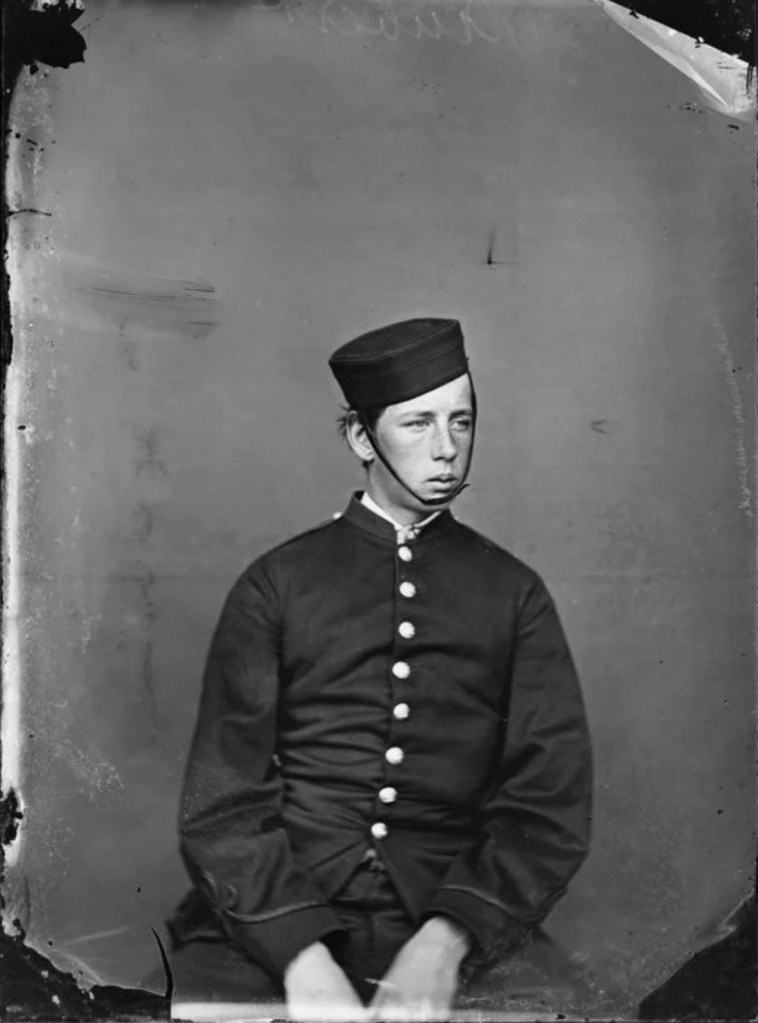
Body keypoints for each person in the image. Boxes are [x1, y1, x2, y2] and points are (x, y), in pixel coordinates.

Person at [161, 318, 593, 1022]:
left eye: (462, 420)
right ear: (364, 439)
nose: (447, 448)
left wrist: (447, 942)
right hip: (276, 909)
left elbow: (548, 806)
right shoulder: (278, 583)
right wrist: (299, 955)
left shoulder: (514, 593)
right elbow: (223, 803)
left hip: (450, 910)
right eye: (418, 423)